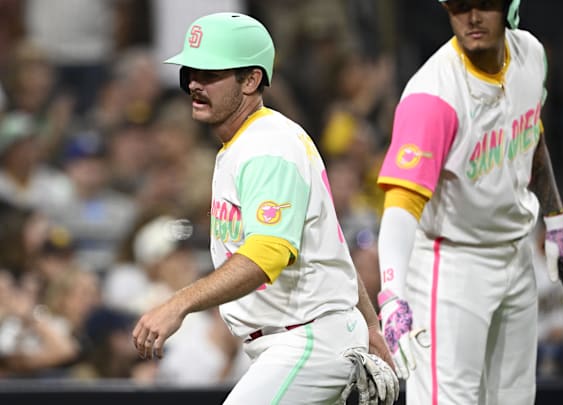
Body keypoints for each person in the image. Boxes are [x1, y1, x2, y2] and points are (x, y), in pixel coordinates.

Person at [131, 12, 393, 404]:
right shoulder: (247, 144)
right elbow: (330, 245)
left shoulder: (268, 147)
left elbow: (266, 254)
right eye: (191, 73)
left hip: (307, 341)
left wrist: (179, 302)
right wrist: (370, 325)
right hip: (298, 340)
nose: (195, 85)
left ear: (251, 80)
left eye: (211, 73)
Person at [375, 0, 563, 403]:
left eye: (484, 4)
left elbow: (530, 136)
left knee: (514, 398)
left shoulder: (532, 55)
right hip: (451, 265)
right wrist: (391, 292)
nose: (470, 17)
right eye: (458, 5)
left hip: (516, 256)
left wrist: (556, 218)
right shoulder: (432, 94)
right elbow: (400, 206)